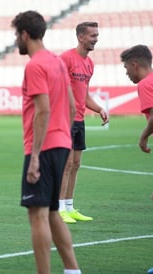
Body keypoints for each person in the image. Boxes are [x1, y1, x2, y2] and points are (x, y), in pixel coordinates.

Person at [11, 11, 82, 274]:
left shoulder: (35, 65)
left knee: (37, 215)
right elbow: (73, 108)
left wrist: (36, 156)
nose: (16, 40)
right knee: (52, 212)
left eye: (17, 35)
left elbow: (43, 110)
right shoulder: (57, 61)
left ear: (25, 34)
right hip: (62, 142)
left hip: (42, 148)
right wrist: (63, 136)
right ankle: (73, 270)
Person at [59, 22, 109, 224]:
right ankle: (60, 208)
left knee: (76, 164)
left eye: (97, 35)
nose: (96, 38)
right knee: (66, 163)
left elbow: (84, 94)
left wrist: (99, 108)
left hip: (79, 120)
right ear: (80, 37)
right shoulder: (66, 59)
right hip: (64, 119)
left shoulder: (89, 64)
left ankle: (70, 207)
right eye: (92, 35)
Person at [120, 44, 153, 274]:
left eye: (126, 69)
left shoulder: (145, 84)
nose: (126, 74)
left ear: (135, 65)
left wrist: (142, 138)